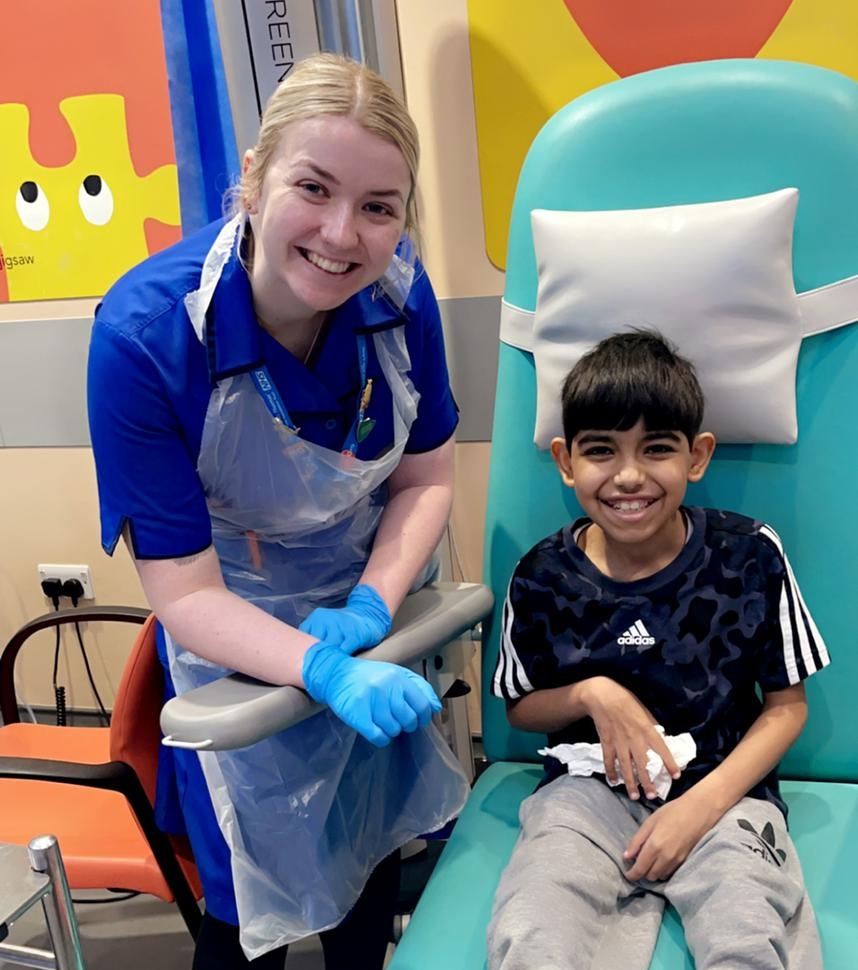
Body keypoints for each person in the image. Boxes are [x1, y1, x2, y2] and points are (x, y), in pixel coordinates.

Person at [87, 53, 469, 970]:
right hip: (235, 630)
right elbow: (185, 594)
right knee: (246, 903)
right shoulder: (150, 337)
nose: (343, 235)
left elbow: (423, 481)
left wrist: (373, 610)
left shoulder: (399, 300)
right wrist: (320, 672)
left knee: (369, 858)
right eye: (314, 186)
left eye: (380, 207)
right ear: (253, 177)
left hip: (368, 608)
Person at [487, 330, 829, 970]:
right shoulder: (541, 577)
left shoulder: (748, 555)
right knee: (535, 929)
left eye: (657, 449)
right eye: (600, 451)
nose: (629, 476)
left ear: (697, 456)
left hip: (724, 794)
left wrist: (699, 808)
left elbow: (787, 707)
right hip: (588, 795)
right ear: (565, 461)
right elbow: (521, 709)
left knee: (748, 930)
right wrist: (593, 692)